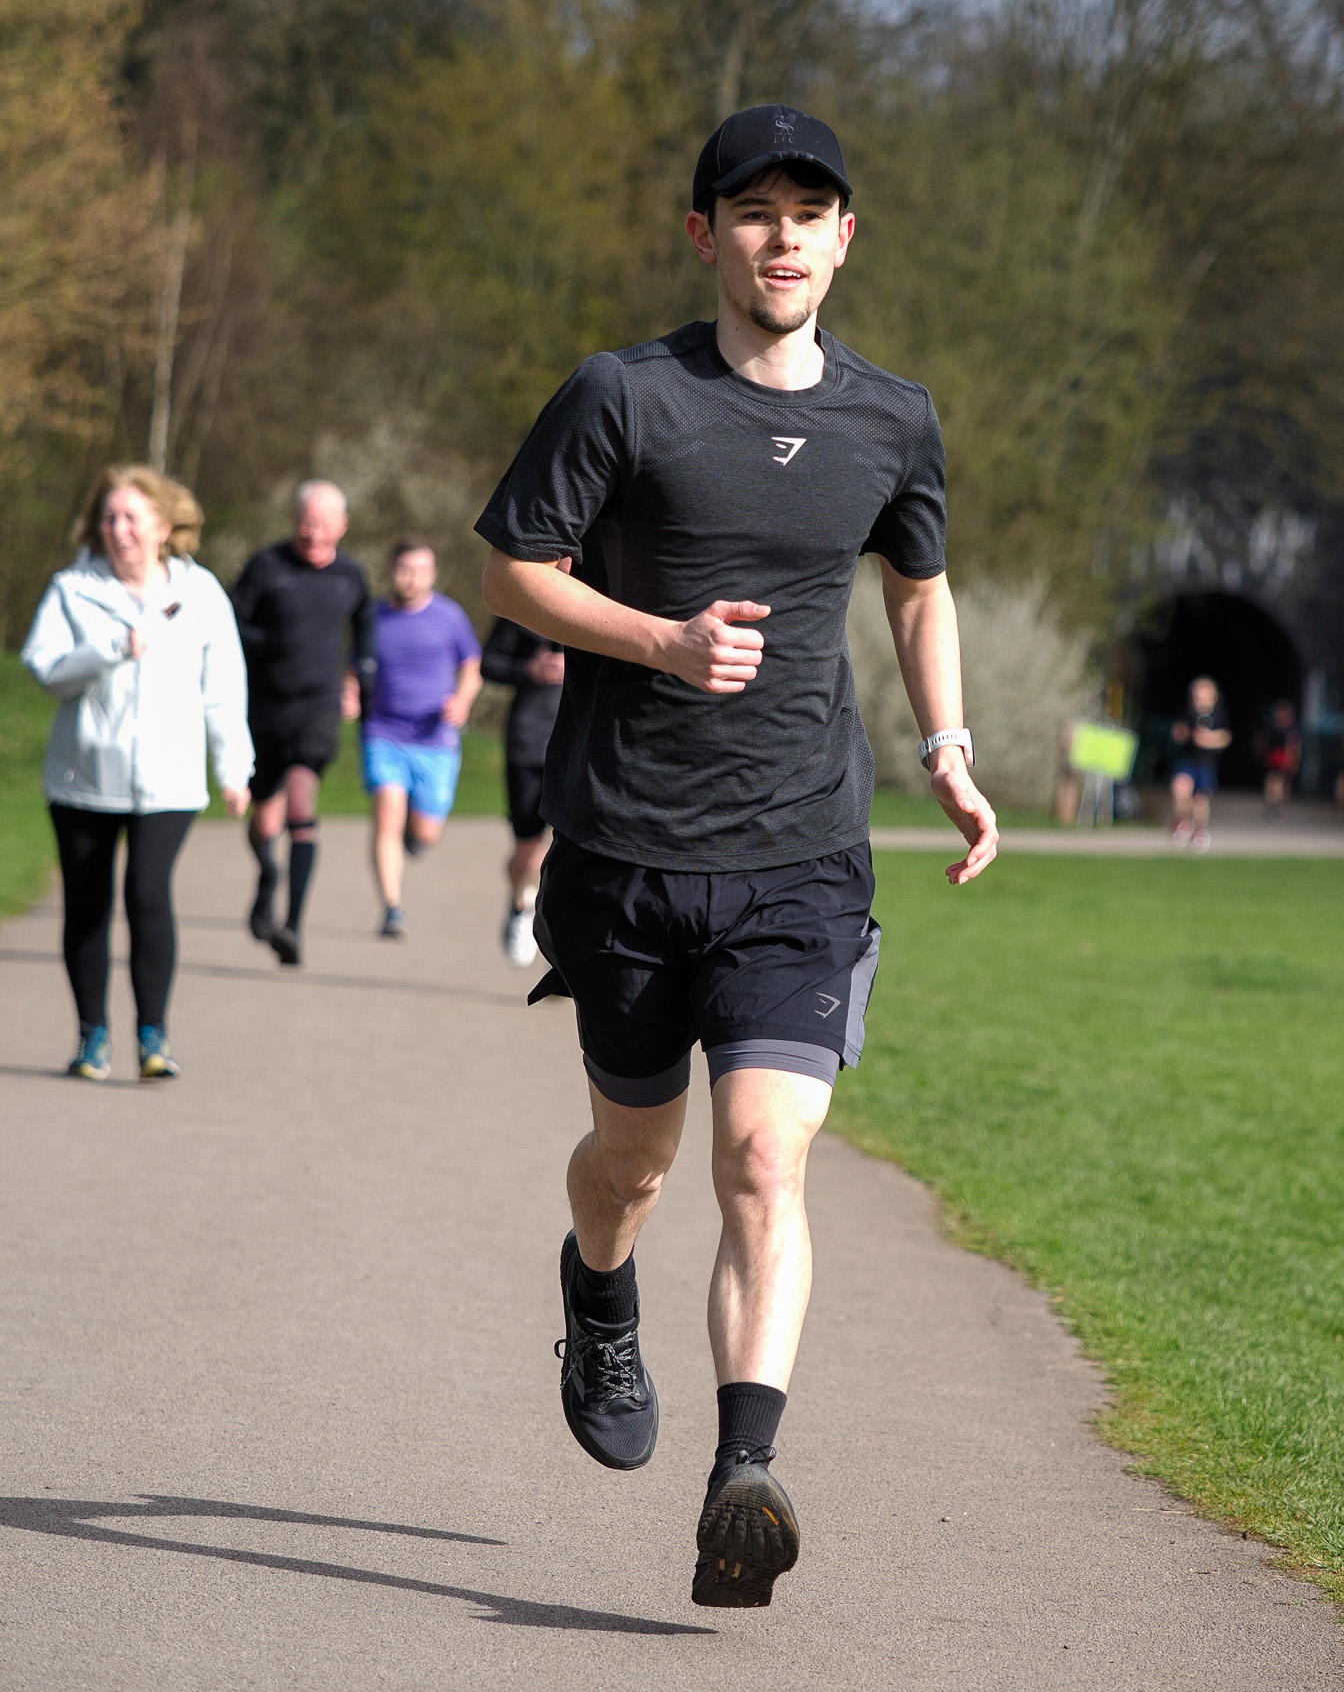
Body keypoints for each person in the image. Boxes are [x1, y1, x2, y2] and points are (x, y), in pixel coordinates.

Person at [477, 103, 998, 1611]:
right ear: (707, 236)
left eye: (808, 212)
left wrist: (948, 750)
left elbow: (921, 589)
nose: (782, 238)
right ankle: (595, 1293)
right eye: (752, 211)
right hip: (628, 849)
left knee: (765, 1159)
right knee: (632, 1171)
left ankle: (741, 1478)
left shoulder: (893, 418)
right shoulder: (622, 396)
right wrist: (661, 641)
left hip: (802, 854)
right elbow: (514, 569)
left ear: (848, 238)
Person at [20, 465, 253, 1080]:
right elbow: (43, 669)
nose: (118, 528)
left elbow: (223, 687)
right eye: (109, 517)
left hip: (169, 781)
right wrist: (112, 648)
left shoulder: (200, 593)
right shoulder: (72, 587)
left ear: (162, 526)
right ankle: (91, 1036)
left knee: (148, 894)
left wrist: (235, 767)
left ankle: (154, 1037)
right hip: (82, 780)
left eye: (131, 517)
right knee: (89, 906)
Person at [231, 480, 373, 965]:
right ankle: (268, 875)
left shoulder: (351, 576)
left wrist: (356, 679)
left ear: (342, 526)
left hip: (318, 708)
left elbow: (366, 634)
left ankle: (292, 926)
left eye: (324, 525)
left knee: (300, 805)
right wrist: (268, 642)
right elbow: (231, 625)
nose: (314, 534)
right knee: (263, 818)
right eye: (307, 523)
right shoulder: (266, 567)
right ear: (295, 521)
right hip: (265, 708)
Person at [362, 537, 482, 939]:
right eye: (404, 569)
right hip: (384, 731)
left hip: (435, 738)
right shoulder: (373, 617)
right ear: (390, 570)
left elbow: (471, 665)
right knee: (385, 816)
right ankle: (392, 908)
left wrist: (462, 701)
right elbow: (354, 667)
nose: (411, 578)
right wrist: (348, 693)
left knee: (427, 832)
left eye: (420, 570)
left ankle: (417, 836)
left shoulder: (450, 616)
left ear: (432, 574)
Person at [479, 611, 564, 966]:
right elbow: (489, 663)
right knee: (528, 852)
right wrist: (529, 669)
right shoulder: (522, 603)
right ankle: (519, 904)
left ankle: (560, 938)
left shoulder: (603, 594)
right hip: (528, 743)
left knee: (572, 851)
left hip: (581, 743)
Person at [1168, 675, 1230, 853]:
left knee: (1200, 800)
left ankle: (1200, 831)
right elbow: (1177, 732)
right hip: (1188, 760)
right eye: (1197, 695)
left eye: (1204, 695)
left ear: (1213, 696)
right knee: (1180, 787)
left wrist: (1209, 739)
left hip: (1206, 763)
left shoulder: (1219, 715)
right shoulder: (1187, 712)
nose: (1200, 699)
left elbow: (1225, 737)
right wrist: (1182, 734)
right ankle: (1182, 822)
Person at [1257, 698, 1302, 817]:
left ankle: (1279, 803)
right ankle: (1272, 802)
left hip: (1285, 756)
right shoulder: (1272, 725)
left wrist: (1293, 759)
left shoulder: (1291, 727)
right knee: (1273, 779)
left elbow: (1295, 744)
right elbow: (1262, 740)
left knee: (1283, 781)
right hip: (1274, 756)